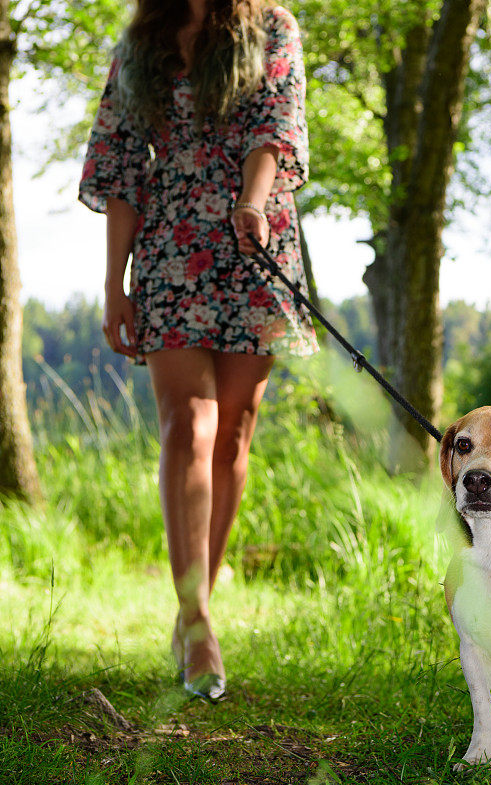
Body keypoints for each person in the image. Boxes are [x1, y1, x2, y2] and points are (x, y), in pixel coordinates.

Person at [78, 0, 318, 701]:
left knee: (234, 435)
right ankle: (199, 620)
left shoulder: (272, 26)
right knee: (190, 422)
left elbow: (276, 125)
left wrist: (252, 200)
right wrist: (113, 285)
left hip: (254, 236)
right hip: (170, 243)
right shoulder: (141, 40)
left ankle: (192, 612)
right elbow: (120, 164)